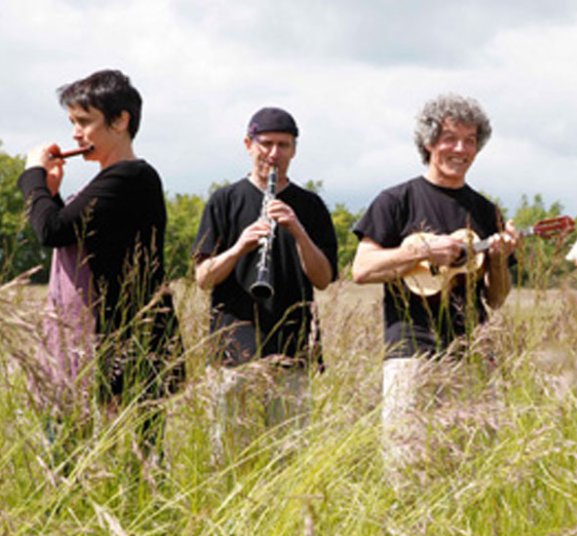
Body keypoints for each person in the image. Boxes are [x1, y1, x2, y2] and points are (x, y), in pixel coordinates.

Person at [352, 94, 518, 486]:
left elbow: (495, 299)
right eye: (450, 138)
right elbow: (361, 269)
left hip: (471, 355)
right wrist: (421, 251)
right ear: (428, 143)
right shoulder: (396, 201)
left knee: (470, 470)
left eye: (470, 140)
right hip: (411, 353)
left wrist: (497, 258)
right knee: (406, 469)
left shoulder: (485, 210)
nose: (460, 149)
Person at [18, 69, 183, 453]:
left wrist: (32, 177)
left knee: (131, 465)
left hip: (125, 346)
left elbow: (52, 232)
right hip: (97, 344)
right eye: (72, 122)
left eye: (84, 121)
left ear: (121, 120)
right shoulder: (108, 181)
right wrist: (53, 194)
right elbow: (74, 236)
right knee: (79, 457)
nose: (76, 133)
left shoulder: (130, 177)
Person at [192, 107, 338, 461]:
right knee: (230, 453)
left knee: (290, 455)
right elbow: (202, 278)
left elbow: (324, 279)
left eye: (283, 145)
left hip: (292, 345)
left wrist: (298, 231)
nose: (274, 154)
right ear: (248, 144)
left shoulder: (311, 205)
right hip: (234, 346)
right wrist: (240, 246)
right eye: (266, 144)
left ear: (294, 149)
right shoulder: (224, 200)